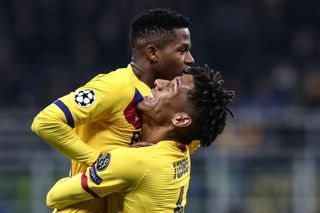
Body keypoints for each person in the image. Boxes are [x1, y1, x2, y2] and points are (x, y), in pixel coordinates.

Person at [31, 8, 196, 212]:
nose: (190, 59)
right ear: (153, 53)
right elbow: (45, 122)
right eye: (182, 50)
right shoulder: (115, 87)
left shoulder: (165, 103)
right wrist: (97, 160)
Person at [46, 65, 235, 213]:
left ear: (180, 119)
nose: (159, 82)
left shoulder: (132, 161)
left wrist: (99, 159)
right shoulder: (183, 153)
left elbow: (53, 197)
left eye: (172, 86)